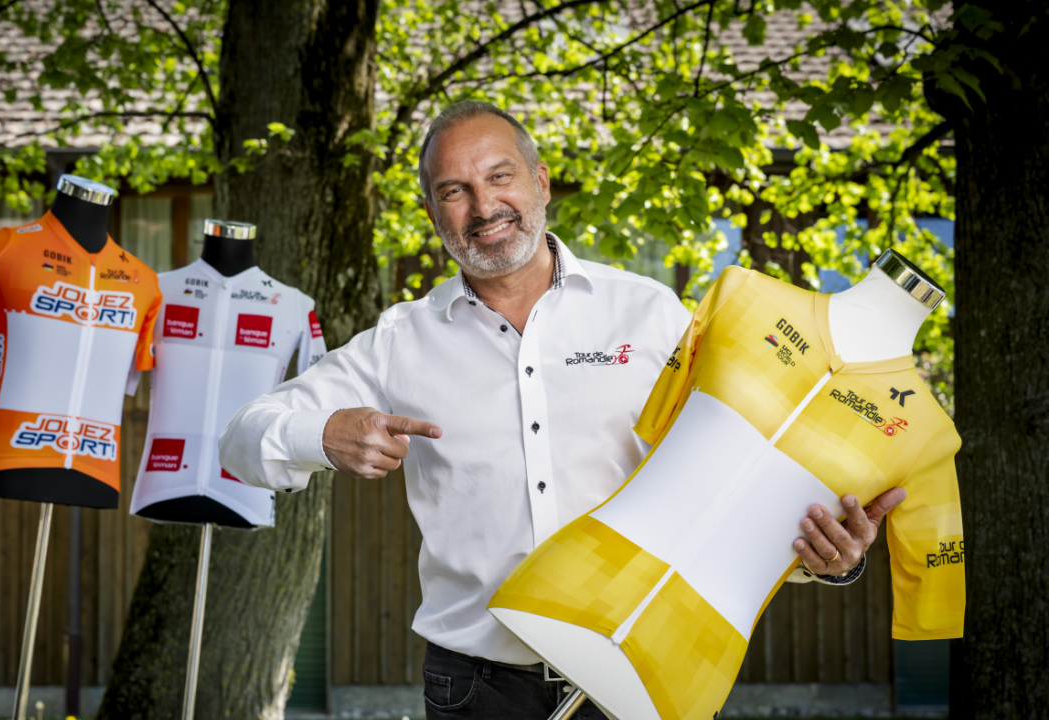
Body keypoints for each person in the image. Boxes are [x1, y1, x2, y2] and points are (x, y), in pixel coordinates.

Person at [219, 100, 904, 720]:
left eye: (500, 176)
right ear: (432, 212)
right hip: (477, 691)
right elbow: (241, 439)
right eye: (454, 191)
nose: (483, 206)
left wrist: (825, 559)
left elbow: (740, 469)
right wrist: (324, 432)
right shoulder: (400, 341)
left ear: (541, 183)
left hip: (643, 673)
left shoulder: (652, 315)